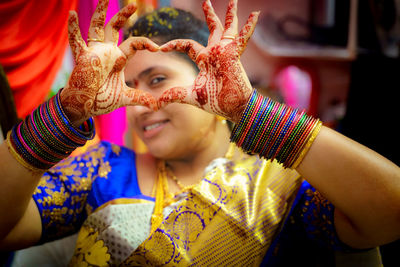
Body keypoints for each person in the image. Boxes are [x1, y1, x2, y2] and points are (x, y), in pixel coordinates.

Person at [0, 0, 399, 266]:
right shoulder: (102, 169)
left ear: (210, 79)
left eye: (157, 79)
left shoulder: (281, 186)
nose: (140, 104)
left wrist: (249, 110)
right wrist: (67, 109)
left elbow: (390, 212)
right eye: (129, 86)